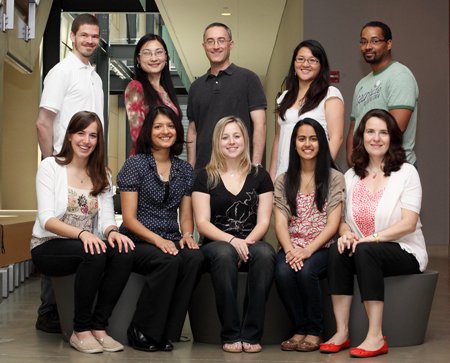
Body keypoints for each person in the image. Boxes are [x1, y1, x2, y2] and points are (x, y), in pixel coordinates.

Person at [321, 109, 428, 358]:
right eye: (370, 132)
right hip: (364, 250)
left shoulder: (406, 173)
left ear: (392, 138)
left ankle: (375, 336)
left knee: (366, 250)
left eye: (383, 132)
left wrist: (371, 239)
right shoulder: (350, 176)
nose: (376, 138)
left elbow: (408, 224)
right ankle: (342, 331)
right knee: (338, 250)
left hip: (403, 250)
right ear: (362, 136)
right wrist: (346, 233)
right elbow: (343, 221)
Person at [30, 111, 134, 354]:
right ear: (69, 136)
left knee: (124, 252)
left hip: (85, 245)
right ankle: (81, 329)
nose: (86, 140)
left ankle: (99, 327)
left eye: (93, 135)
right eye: (80, 133)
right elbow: (47, 219)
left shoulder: (103, 174)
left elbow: (107, 219)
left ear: (99, 141)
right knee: (95, 253)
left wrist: (112, 232)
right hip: (49, 245)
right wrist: (82, 234)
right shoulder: (50, 167)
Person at [34, 13, 104, 334]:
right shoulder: (61, 72)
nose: (90, 41)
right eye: (84, 35)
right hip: (64, 167)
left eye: (95, 36)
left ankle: (79, 310)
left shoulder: (96, 77)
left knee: (87, 233)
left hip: (89, 167)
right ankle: (49, 310)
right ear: (73, 36)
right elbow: (44, 121)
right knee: (57, 230)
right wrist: (53, 163)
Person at [117, 105, 204, 352]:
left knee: (195, 258)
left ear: (177, 130)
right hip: (138, 240)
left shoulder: (184, 170)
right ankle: (142, 329)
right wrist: (158, 240)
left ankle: (168, 329)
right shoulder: (135, 165)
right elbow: (129, 218)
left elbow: (185, 216)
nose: (165, 131)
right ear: (149, 131)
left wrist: (187, 235)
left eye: (169, 126)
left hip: (171, 238)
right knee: (168, 261)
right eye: (158, 126)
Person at [192, 116, 275, 353]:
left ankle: (251, 334)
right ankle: (230, 333)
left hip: (252, 240)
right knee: (224, 253)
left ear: (245, 140)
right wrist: (232, 241)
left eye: (236, 136)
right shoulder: (204, 176)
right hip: (216, 243)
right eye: (225, 137)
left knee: (266, 254)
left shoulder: (260, 176)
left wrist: (245, 243)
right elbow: (202, 223)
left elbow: (264, 221)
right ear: (217, 142)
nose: (231, 142)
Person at [274, 118, 345, 352]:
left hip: (322, 247)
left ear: (321, 143)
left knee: (306, 271)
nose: (307, 144)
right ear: (294, 143)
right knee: (283, 271)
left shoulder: (334, 177)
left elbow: (333, 224)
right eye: (302, 138)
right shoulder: (283, 180)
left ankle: (315, 330)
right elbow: (281, 222)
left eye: (313, 139)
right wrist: (290, 249)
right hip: (292, 246)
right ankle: (299, 328)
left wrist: (308, 250)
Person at [187, 22, 267, 170]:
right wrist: (191, 169)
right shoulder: (196, 87)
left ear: (231, 44)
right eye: (210, 41)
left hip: (241, 171)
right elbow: (193, 131)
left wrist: (255, 165)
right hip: (203, 172)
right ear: (204, 46)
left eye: (221, 40)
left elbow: (260, 125)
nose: (216, 46)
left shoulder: (249, 79)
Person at [346, 21, 419, 167]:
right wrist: (353, 161)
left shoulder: (400, 76)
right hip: (366, 169)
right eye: (363, 42)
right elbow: (354, 126)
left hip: (394, 168)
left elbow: (396, 128)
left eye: (375, 41)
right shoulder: (361, 84)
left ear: (389, 44)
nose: (368, 47)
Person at [269, 40, 344, 180]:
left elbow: (336, 138)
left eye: (312, 60)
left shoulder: (330, 94)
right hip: (283, 175)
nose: (305, 64)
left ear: (321, 66)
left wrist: (319, 174)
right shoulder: (285, 97)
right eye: (300, 59)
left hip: (313, 177)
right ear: (294, 63)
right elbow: (278, 139)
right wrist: (272, 176)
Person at [125, 33, 181, 155]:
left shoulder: (166, 90)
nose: (154, 58)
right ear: (138, 59)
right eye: (147, 53)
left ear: (166, 57)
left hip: (167, 159)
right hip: (145, 163)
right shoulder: (135, 87)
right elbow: (137, 135)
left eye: (159, 52)